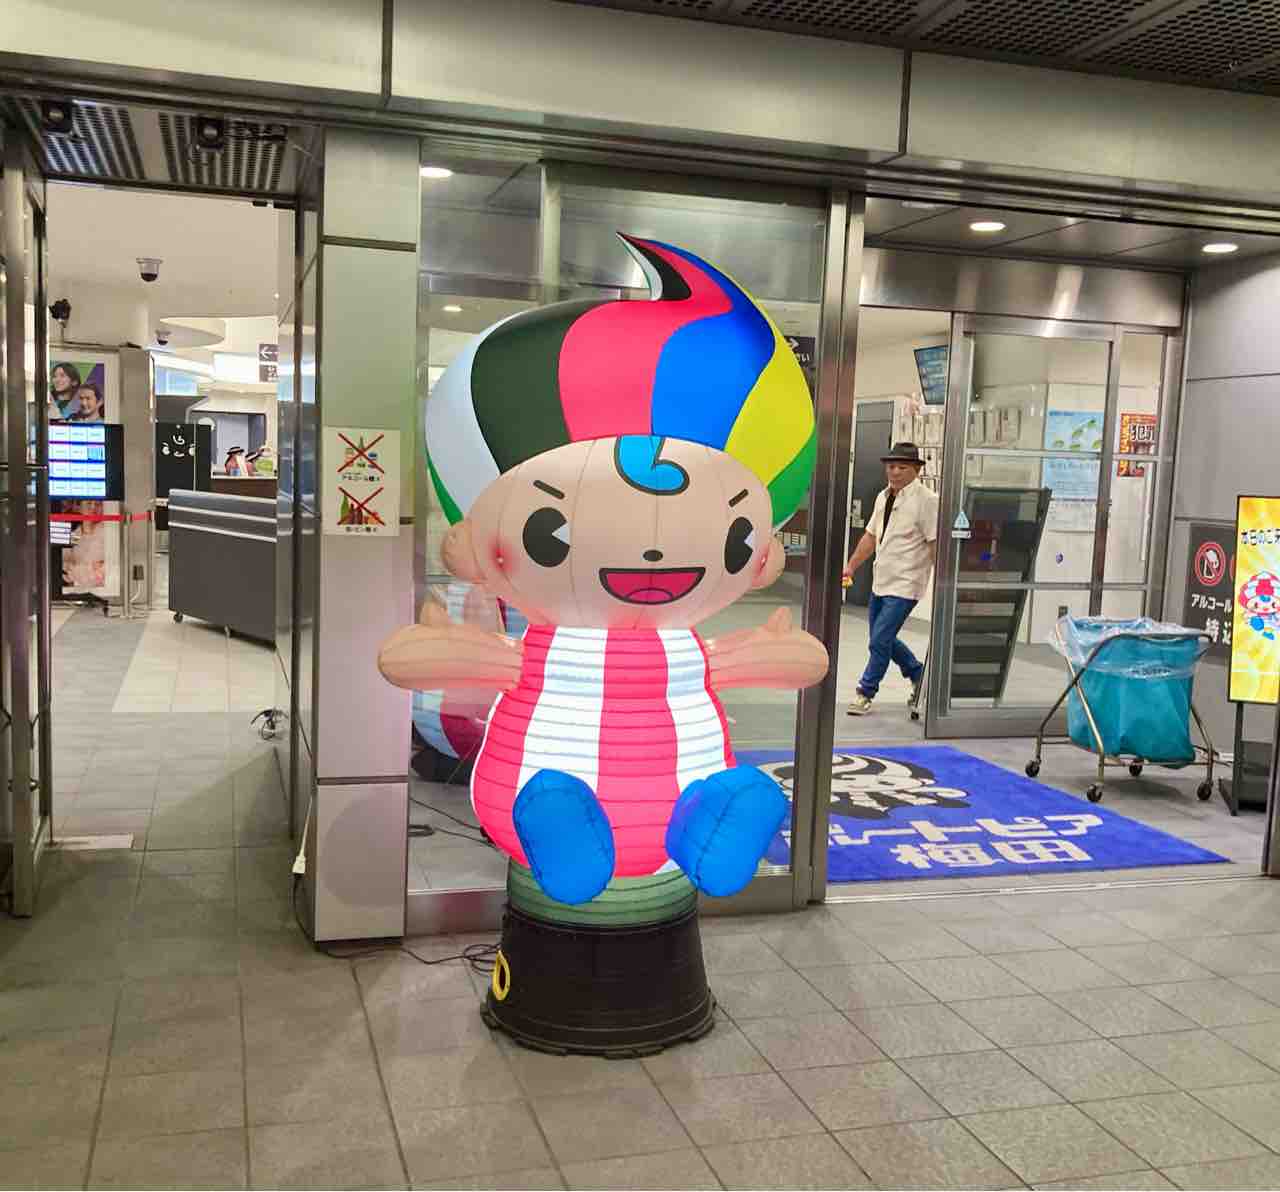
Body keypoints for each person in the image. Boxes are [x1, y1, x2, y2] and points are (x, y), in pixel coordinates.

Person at [842, 441, 938, 716]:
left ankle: (865, 692)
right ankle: (918, 674)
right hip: (881, 580)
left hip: (907, 583)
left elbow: (934, 543)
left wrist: (942, 582)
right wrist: (851, 565)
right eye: (891, 466)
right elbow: (871, 536)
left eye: (902, 467)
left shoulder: (927, 501)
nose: (895, 472)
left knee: (879, 640)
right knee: (882, 638)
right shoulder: (883, 497)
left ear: (916, 470)